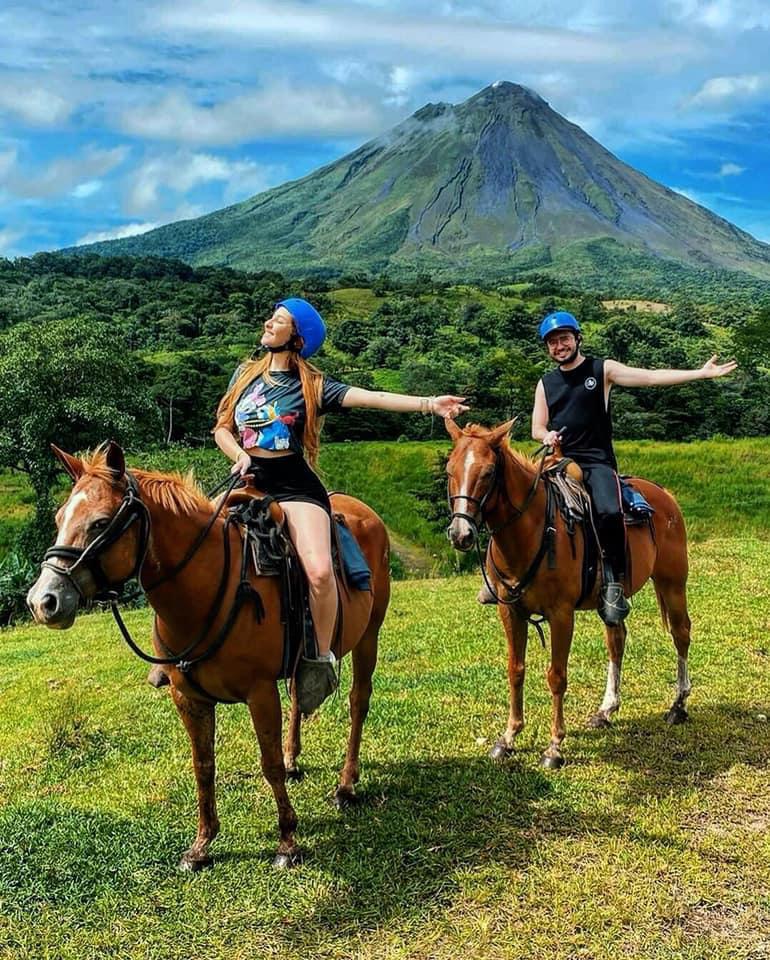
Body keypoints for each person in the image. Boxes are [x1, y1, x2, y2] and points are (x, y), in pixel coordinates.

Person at [214, 297, 468, 713]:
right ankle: (180, 647)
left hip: (294, 487)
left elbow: (371, 398)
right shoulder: (245, 375)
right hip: (249, 480)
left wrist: (428, 404)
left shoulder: (313, 386)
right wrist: (238, 455)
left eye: (277, 321)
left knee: (317, 572)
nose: (267, 323)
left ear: (297, 338)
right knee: (194, 539)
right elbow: (222, 428)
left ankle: (318, 662)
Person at [525, 309, 737, 625]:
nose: (559, 346)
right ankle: (508, 576)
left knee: (609, 511)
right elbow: (536, 428)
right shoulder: (546, 383)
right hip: (559, 461)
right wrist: (547, 434)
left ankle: (612, 582)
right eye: (553, 342)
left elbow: (650, 377)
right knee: (517, 499)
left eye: (564, 339)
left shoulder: (602, 370)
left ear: (577, 338)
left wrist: (699, 373)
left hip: (596, 463)